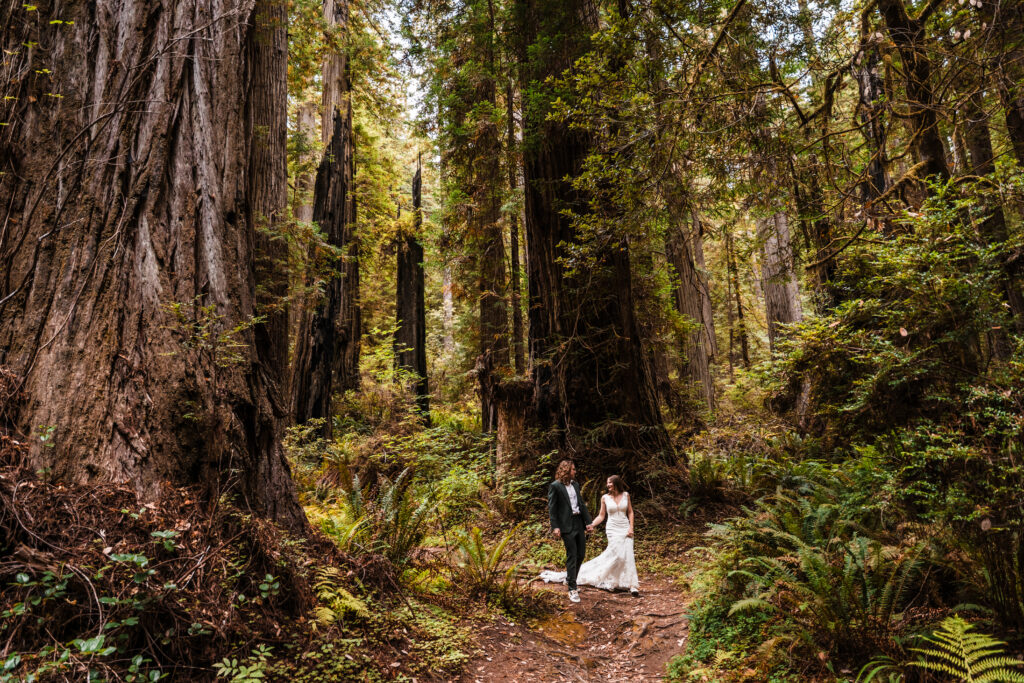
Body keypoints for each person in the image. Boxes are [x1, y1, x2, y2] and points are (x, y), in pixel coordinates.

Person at [541, 474, 640, 597]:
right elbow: (601, 516)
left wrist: (631, 527)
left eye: (610, 482)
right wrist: (591, 525)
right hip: (612, 529)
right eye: (607, 482)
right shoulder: (605, 498)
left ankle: (632, 585)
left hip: (625, 528)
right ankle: (610, 580)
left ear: (616, 483)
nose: (608, 484)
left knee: (628, 555)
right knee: (618, 556)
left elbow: (630, 512)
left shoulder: (626, 495)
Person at [545, 459, 592, 603]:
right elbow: (552, 509)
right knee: (572, 555)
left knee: (581, 555)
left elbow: (581, 505)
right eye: (573, 469)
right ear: (566, 470)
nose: (575, 471)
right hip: (566, 525)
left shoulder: (576, 485)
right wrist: (555, 526)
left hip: (579, 522)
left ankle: (570, 579)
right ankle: (572, 588)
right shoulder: (555, 486)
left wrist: (588, 522)